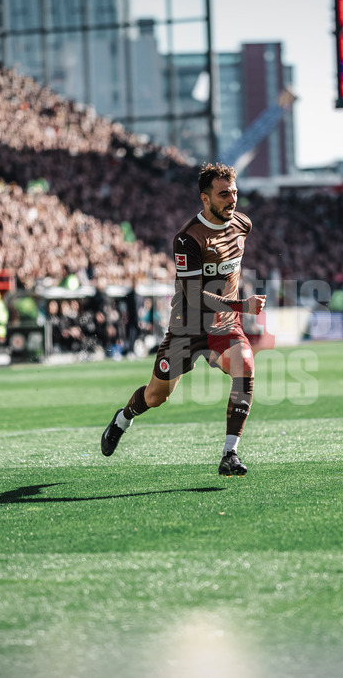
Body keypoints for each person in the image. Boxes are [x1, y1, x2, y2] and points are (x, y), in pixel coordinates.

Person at [100, 163, 266, 476]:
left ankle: (230, 453)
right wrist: (242, 304)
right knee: (156, 396)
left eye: (234, 192)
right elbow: (195, 295)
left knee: (245, 368)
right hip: (187, 327)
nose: (232, 199)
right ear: (205, 199)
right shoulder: (188, 239)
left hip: (224, 325)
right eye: (223, 194)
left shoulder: (243, 225)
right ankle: (122, 419)